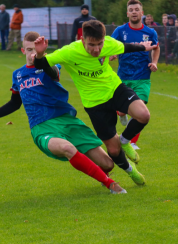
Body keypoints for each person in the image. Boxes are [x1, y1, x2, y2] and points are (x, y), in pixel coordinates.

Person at [0, 31, 127, 194]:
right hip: (41, 127)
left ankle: (101, 172)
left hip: (67, 121)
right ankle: (110, 183)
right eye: (29, 50)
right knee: (67, 148)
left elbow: (53, 73)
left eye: (35, 50)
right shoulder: (18, 75)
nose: (32, 53)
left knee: (107, 164)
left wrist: (42, 58)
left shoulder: (50, 65)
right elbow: (14, 104)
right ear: (22, 51)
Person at [33, 20, 158, 185]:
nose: (97, 49)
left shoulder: (108, 43)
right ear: (83, 40)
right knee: (112, 150)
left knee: (143, 115)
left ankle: (125, 141)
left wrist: (144, 46)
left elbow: (126, 47)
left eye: (100, 44)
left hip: (115, 89)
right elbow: (41, 65)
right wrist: (40, 54)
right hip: (94, 104)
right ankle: (130, 170)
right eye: (92, 45)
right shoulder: (69, 51)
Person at [111, 0, 160, 151]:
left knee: (140, 107)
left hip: (143, 76)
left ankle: (130, 141)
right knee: (123, 109)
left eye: (136, 9)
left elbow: (156, 48)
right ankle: (121, 112)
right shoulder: (120, 31)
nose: (134, 12)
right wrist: (111, 55)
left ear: (142, 12)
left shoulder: (150, 32)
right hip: (124, 76)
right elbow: (111, 47)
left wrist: (155, 63)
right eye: (131, 10)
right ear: (127, 13)